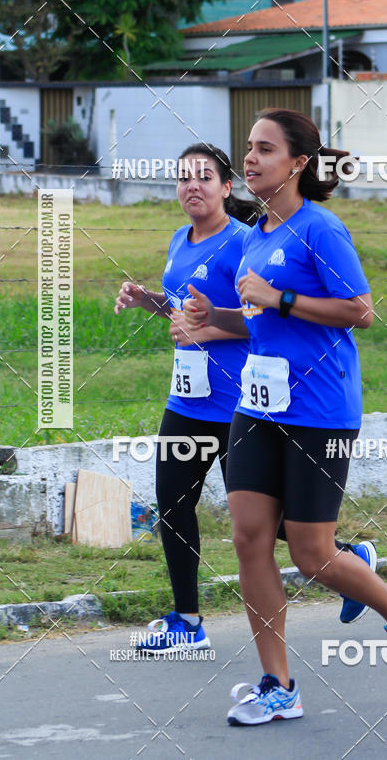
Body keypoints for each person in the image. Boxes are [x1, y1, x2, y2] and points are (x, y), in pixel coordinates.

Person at [183, 109, 387, 724]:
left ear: (297, 163)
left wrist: (281, 298)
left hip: (319, 409)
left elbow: (360, 311)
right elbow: (258, 318)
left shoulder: (321, 229)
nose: (248, 160)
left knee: (312, 555)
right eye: (247, 148)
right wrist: (210, 318)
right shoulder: (253, 234)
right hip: (257, 406)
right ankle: (278, 684)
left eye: (264, 149)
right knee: (246, 538)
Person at [114, 143, 258, 653]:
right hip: (187, 403)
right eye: (182, 178)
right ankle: (187, 622)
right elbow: (184, 312)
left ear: (226, 187)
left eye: (203, 176)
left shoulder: (244, 242)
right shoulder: (180, 237)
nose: (191, 185)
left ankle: (348, 555)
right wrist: (147, 300)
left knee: (268, 522)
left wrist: (209, 334)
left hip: (239, 406)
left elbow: (262, 319)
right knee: (173, 506)